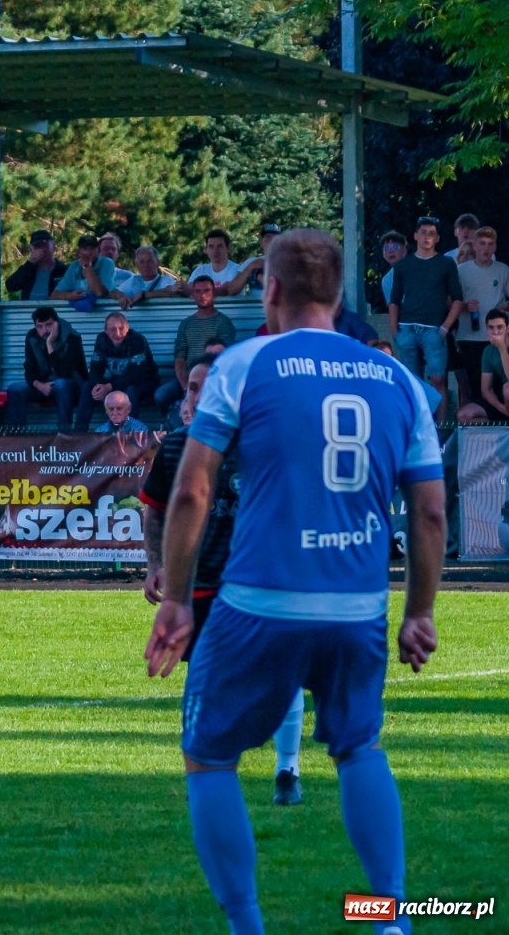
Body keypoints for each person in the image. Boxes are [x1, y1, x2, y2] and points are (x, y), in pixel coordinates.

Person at [144, 227, 445, 935]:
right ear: (340, 297)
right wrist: (420, 612)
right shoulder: (397, 379)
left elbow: (189, 493)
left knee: (208, 756)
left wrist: (180, 602)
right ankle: (390, 919)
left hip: (258, 603)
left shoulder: (245, 364)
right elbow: (430, 510)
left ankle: (249, 928)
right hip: (358, 608)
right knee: (359, 748)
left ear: (270, 291)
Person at [141, 352, 306, 807]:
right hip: (199, 586)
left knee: (281, 671)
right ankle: (208, 773)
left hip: (259, 580)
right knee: (206, 678)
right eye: (192, 387)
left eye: (206, 385)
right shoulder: (176, 446)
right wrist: (156, 564)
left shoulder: (263, 441)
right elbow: (154, 511)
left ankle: (287, 768)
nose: (197, 395)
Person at [388, 215, 464, 401]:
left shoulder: (446, 263)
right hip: (406, 329)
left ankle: (441, 429)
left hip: (434, 331)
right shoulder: (403, 266)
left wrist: (445, 327)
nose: (427, 237)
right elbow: (394, 300)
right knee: (412, 383)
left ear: (437, 238)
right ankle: (417, 427)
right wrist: (394, 331)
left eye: (432, 233)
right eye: (423, 233)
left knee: (438, 379)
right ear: (415, 236)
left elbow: (458, 299)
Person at [154, 278, 236, 422]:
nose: (202, 295)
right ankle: (172, 429)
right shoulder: (186, 324)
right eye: (197, 291)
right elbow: (179, 359)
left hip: (210, 378)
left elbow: (225, 359)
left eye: (206, 290)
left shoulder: (224, 323)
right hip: (186, 378)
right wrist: (185, 385)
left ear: (213, 293)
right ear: (192, 294)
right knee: (161, 395)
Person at [3, 306, 87, 431]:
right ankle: (18, 437)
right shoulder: (32, 336)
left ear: (56, 323)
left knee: (61, 385)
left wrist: (50, 344)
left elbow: (64, 372)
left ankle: (64, 436)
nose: (44, 330)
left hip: (71, 386)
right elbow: (29, 368)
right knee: (14, 389)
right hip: (43, 385)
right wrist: (38, 385)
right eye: (40, 326)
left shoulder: (72, 336)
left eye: (48, 325)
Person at [455, 225, 508, 409]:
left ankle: (500, 420)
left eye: (490, 244)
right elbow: (451, 302)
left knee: (500, 384)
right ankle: (479, 426)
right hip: (469, 336)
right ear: (475, 246)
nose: (485, 248)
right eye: (482, 243)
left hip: (496, 336)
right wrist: (464, 305)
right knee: (475, 386)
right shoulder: (461, 270)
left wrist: (503, 309)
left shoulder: (503, 270)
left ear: (494, 248)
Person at [79, 311, 158, 430]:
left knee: (131, 391)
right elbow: (95, 369)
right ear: (105, 331)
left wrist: (109, 387)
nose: (117, 333)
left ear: (127, 328)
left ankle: (129, 434)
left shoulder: (137, 340)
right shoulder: (101, 339)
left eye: (121, 328)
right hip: (117, 382)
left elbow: (138, 375)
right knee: (88, 387)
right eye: (112, 329)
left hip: (144, 382)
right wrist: (98, 386)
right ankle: (78, 435)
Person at [50, 235, 115, 304]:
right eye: (85, 248)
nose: (89, 252)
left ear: (98, 250)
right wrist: (70, 296)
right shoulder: (75, 265)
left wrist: (87, 266)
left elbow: (99, 293)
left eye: (92, 248)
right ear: (79, 252)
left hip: (104, 310)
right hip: (79, 312)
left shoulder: (107, 263)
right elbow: (54, 295)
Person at [5, 230, 67, 299]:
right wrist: (29, 263)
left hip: (54, 309)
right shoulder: (29, 271)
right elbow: (10, 286)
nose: (42, 249)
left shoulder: (64, 270)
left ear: (53, 247)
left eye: (44, 245)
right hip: (29, 309)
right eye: (37, 246)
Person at [231, 224, 281, 296]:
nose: (271, 242)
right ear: (262, 242)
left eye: (276, 239)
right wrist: (251, 267)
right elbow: (232, 290)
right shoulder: (251, 262)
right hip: (255, 306)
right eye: (268, 238)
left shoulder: (289, 263)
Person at [478, 309, 509, 421]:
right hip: (503, 404)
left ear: (507, 328)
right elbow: (486, 390)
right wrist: (502, 408)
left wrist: (502, 348)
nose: (495, 332)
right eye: (491, 328)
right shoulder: (488, 351)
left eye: (500, 327)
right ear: (486, 329)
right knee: (464, 415)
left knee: (507, 389)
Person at [378, 230, 407, 306]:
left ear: (404, 251)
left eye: (395, 247)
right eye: (386, 248)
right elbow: (393, 307)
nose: (390, 251)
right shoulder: (386, 280)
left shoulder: (417, 269)